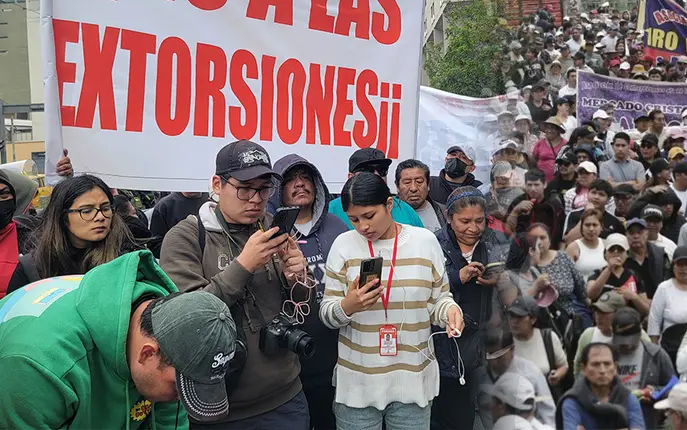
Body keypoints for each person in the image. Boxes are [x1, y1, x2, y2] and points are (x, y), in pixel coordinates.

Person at [160, 140, 312, 428]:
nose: (255, 199)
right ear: (217, 185)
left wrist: (298, 276)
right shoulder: (186, 237)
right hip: (222, 406)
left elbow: (301, 302)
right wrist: (243, 265)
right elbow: (189, 323)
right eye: (245, 188)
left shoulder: (271, 225)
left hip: (286, 396)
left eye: (264, 189)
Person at [0, 253, 238, 428]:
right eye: (178, 388)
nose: (180, 397)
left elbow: (169, 419)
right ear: (147, 353)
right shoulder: (38, 365)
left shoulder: (170, 336)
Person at [319, 172, 463, 430]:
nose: (363, 227)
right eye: (354, 219)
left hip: (413, 380)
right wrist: (348, 305)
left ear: (388, 204)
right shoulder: (344, 245)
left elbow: (439, 300)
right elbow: (327, 314)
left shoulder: (425, 242)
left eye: (369, 216)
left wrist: (450, 310)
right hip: (358, 385)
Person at [267, 154, 349, 430]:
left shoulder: (338, 228)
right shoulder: (268, 233)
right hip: (286, 358)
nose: (300, 184)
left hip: (333, 350)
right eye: (291, 179)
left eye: (306, 178)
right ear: (278, 188)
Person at [433, 187, 508, 430]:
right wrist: (457, 277)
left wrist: (501, 280)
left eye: (479, 221)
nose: (473, 229)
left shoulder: (497, 241)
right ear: (449, 218)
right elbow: (424, 288)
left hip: (488, 340)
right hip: (447, 342)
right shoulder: (434, 243)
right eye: (464, 221)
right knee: (452, 414)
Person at [6, 174, 137, 293]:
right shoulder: (32, 268)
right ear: (62, 217)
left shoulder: (129, 260)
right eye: (86, 211)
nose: (100, 217)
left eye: (105, 208)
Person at [610, 307, 676, 429]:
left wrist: (654, 392)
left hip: (645, 420)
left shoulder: (656, 354)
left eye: (630, 340)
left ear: (640, 332)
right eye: (621, 341)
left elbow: (674, 388)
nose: (626, 345)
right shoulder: (603, 355)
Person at [328, 148, 423, 229]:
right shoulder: (332, 210)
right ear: (350, 177)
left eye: (382, 170)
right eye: (368, 171)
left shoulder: (405, 210)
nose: (376, 175)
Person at [557, 343, 645, 430]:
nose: (602, 370)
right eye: (595, 364)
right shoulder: (573, 401)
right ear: (583, 369)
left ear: (615, 367)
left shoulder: (628, 398)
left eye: (607, 364)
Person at [486, 330, 556, 427]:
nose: (493, 363)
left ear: (512, 349)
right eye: (489, 356)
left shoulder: (531, 373)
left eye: (499, 357)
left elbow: (548, 414)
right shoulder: (478, 374)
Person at [508, 297, 569, 394]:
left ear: (533, 319)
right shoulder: (504, 342)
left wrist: (556, 376)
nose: (514, 321)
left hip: (544, 398)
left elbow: (563, 366)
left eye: (520, 317)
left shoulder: (548, 338)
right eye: (512, 316)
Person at [586, 234, 650, 315]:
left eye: (620, 250)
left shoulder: (634, 275)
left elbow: (646, 310)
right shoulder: (596, 273)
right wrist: (609, 268)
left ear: (626, 254)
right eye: (612, 250)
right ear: (605, 253)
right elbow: (591, 295)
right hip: (602, 320)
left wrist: (634, 297)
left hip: (629, 321)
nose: (616, 253)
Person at [396, 159, 447, 232]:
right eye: (407, 182)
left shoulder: (444, 212)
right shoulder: (387, 213)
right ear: (397, 186)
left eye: (419, 182)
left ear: (428, 185)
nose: (413, 188)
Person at [486, 373, 553, 430]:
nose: (490, 406)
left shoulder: (502, 426)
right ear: (533, 408)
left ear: (501, 406)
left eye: (493, 400)